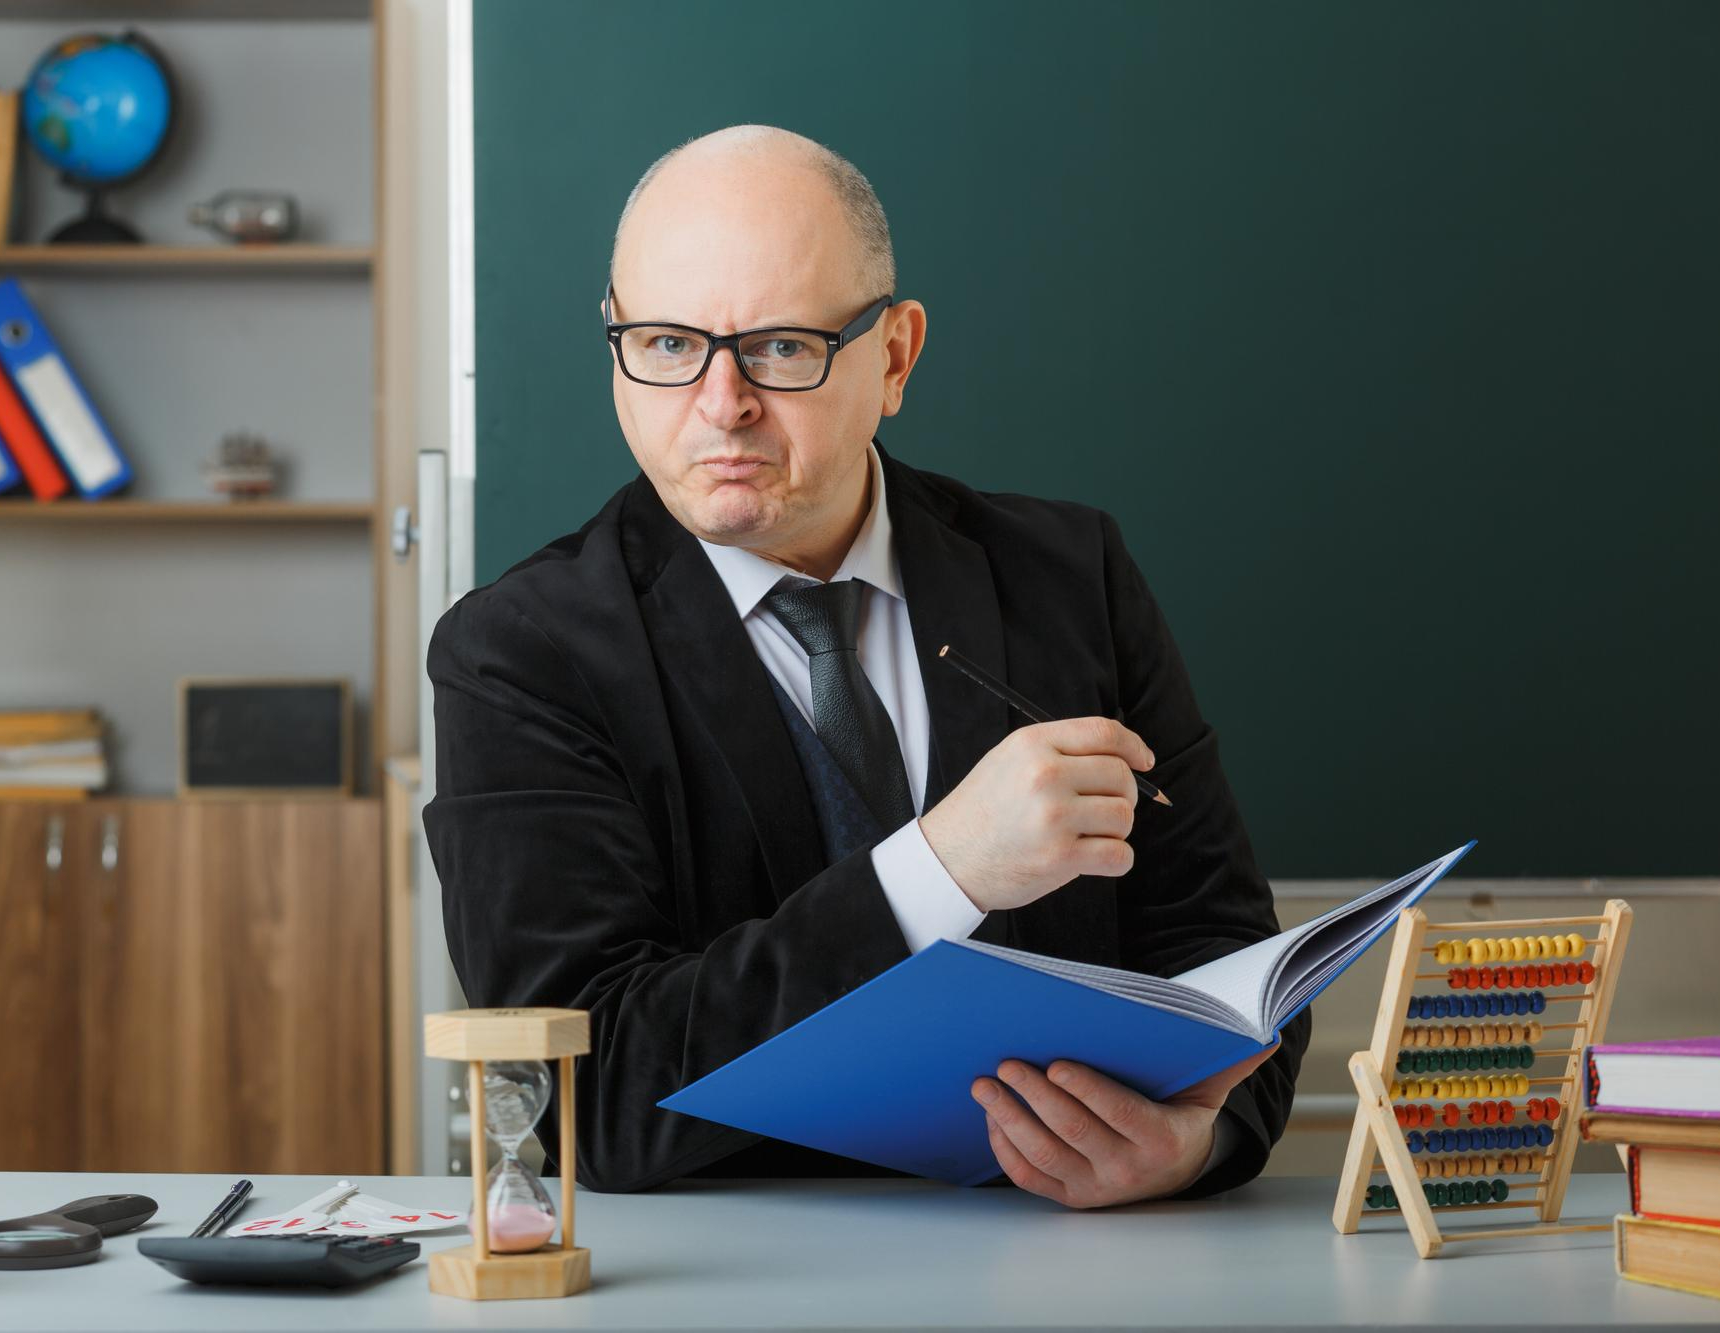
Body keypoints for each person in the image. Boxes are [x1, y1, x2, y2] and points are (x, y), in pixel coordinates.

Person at [424, 123, 1307, 1207]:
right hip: (722, 1286)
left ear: (892, 356)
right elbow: (583, 1095)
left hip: (1069, 1269)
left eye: (781, 347)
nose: (719, 403)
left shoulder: (1070, 577)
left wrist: (1198, 1144)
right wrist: (940, 869)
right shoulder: (516, 652)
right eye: (664, 344)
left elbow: (1226, 956)